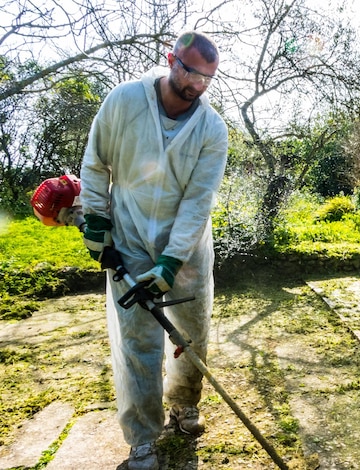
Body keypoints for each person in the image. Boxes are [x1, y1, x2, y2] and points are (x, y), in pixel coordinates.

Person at [80, 31, 228, 470]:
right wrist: (96, 223)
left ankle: (184, 404)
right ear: (171, 60)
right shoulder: (124, 102)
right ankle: (143, 438)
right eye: (190, 72)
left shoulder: (212, 130)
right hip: (127, 238)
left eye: (207, 79)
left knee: (191, 330)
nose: (196, 85)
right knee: (137, 340)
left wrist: (172, 260)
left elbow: (198, 201)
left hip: (186, 247)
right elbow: (95, 163)